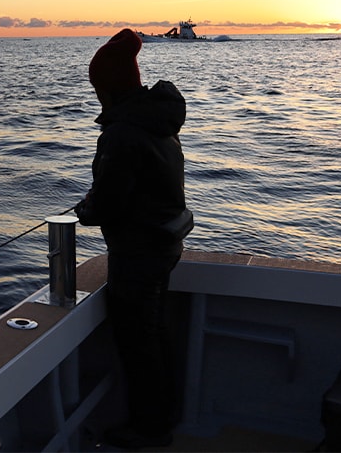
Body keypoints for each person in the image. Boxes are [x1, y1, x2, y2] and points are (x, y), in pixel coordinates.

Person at [73, 28, 194, 449]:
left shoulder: (122, 133)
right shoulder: (155, 120)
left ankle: (149, 430)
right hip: (164, 245)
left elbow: (106, 205)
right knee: (154, 333)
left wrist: (84, 209)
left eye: (97, 85)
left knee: (139, 342)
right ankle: (163, 417)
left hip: (139, 253)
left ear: (106, 86)